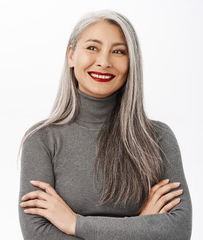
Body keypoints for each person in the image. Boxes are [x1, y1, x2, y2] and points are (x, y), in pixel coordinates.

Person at [17, 10, 192, 240]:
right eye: (92, 48)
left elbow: (178, 231)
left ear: (131, 63)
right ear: (71, 55)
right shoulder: (41, 140)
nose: (104, 62)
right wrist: (141, 225)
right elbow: (38, 234)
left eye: (118, 51)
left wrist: (75, 223)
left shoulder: (157, 138)